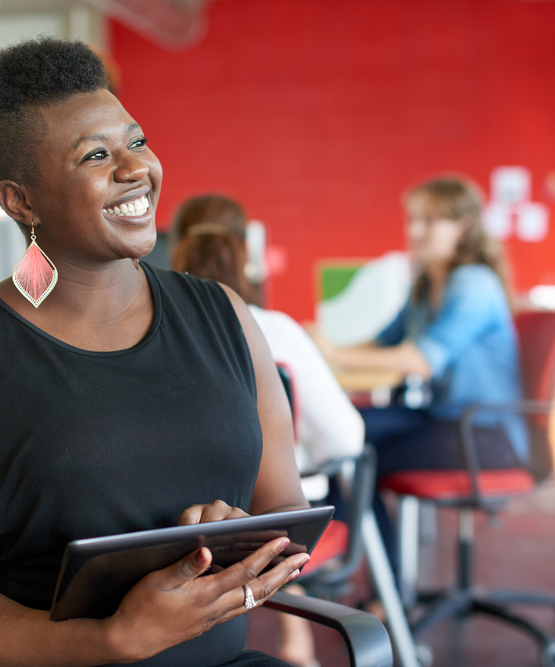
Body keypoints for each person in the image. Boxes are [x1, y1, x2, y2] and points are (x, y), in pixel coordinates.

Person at [0, 38, 310, 667]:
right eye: (95, 156)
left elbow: (286, 510)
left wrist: (235, 537)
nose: (135, 168)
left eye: (136, 142)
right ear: (20, 201)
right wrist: (111, 640)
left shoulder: (223, 314)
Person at [169, 196, 364, 667]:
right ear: (245, 251)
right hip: (275, 522)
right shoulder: (276, 329)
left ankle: (296, 639)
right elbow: (346, 439)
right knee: (319, 478)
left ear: (173, 251)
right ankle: (318, 634)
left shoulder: (152, 337)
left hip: (179, 524)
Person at [311, 175, 526, 567]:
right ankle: (356, 568)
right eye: (413, 219)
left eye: (429, 221)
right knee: (339, 429)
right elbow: (384, 343)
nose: (414, 231)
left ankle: (378, 586)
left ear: (463, 227)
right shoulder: (427, 285)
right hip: (443, 419)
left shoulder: (473, 284)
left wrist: (333, 351)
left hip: (484, 434)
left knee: (354, 457)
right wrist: (320, 351)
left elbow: (420, 360)